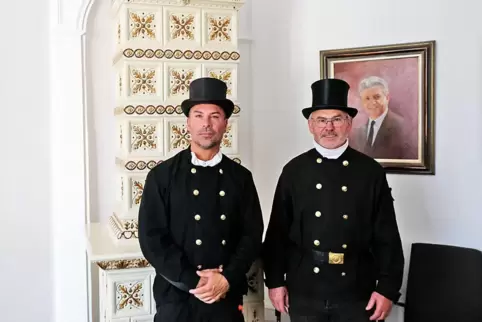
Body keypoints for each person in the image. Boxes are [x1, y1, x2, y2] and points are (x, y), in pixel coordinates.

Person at [262, 78, 404, 322]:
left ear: (349, 124)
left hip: (357, 290)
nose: (329, 127)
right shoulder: (294, 171)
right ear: (310, 125)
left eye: (337, 119)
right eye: (321, 120)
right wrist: (275, 282)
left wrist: (387, 289)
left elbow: (387, 236)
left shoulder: (370, 171)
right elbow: (277, 233)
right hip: (305, 289)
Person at [138, 77, 264, 322]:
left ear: (225, 124)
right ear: (187, 123)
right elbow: (152, 239)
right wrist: (195, 281)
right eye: (198, 115)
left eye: (214, 116)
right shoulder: (162, 176)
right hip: (176, 298)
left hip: (225, 297)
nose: (206, 124)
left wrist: (225, 278)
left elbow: (251, 234)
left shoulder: (240, 178)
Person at [350, 76, 415, 160]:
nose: (372, 102)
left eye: (376, 97)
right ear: (362, 101)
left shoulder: (402, 127)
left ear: (387, 98)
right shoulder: (358, 132)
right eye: (367, 98)